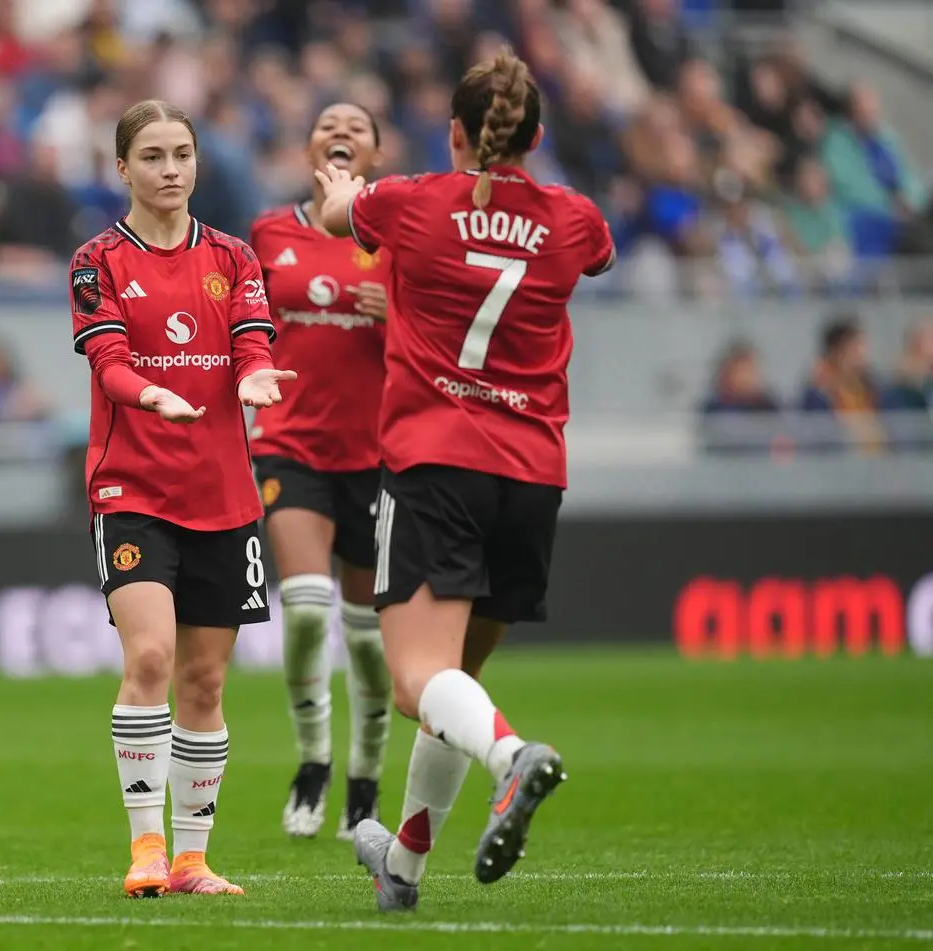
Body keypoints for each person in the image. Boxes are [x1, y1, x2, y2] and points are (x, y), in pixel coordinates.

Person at [315, 46, 615, 911]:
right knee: (455, 687)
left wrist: (340, 177)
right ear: (537, 134)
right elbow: (598, 254)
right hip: (531, 479)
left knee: (417, 683)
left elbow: (341, 217)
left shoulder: (410, 202)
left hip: (436, 462)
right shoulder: (573, 219)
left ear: (453, 130)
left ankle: (515, 757)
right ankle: (402, 866)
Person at [70, 99, 295, 899]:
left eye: (183, 155)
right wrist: (149, 396)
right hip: (131, 489)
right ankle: (146, 848)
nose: (171, 170)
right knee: (153, 657)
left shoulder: (233, 257)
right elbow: (109, 362)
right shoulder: (97, 261)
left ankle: (195, 859)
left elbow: (251, 343)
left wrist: (257, 376)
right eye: (154, 156)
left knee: (205, 681)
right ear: (122, 167)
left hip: (224, 493)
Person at [248, 102, 393, 842]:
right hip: (290, 442)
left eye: (358, 125)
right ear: (309, 146)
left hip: (375, 454)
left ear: (375, 151)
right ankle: (314, 762)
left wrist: (397, 314)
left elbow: (447, 334)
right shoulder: (271, 232)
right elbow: (242, 324)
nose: (341, 130)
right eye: (328, 121)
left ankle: (365, 781)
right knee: (306, 608)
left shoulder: (398, 235)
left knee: (368, 639)